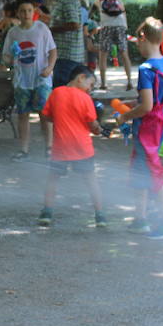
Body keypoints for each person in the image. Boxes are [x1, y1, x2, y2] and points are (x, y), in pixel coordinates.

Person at [115, 18, 163, 239]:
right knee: (141, 169)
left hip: (146, 128)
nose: (137, 46)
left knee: (153, 171)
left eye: (137, 41)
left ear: (143, 38)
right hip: (159, 124)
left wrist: (124, 116)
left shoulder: (146, 69)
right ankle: (140, 218)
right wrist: (137, 106)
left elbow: (147, 106)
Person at [38, 64, 106, 230]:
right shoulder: (85, 99)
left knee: (52, 179)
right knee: (91, 181)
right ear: (80, 78)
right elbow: (92, 124)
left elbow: (45, 116)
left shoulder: (56, 93)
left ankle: (47, 212)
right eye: (90, 85)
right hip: (82, 148)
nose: (90, 89)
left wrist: (61, 119)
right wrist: (98, 129)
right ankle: (100, 215)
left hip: (60, 147)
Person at [2, 0, 57, 161]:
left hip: (41, 79)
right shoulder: (13, 32)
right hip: (22, 80)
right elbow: (6, 56)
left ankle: (49, 147)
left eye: (29, 10)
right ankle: (24, 149)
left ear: (34, 12)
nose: (26, 14)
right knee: (22, 114)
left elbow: (53, 51)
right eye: (22, 11)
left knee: (44, 113)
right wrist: (11, 60)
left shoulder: (41, 29)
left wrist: (49, 67)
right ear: (17, 13)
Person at [45, 0, 85, 86]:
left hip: (67, 55)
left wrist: (50, 30)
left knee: (62, 90)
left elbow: (74, 24)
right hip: (63, 54)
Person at [95, 0, 132, 88]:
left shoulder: (99, 1)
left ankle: (103, 84)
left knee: (103, 55)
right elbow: (124, 12)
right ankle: (129, 81)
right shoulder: (118, 1)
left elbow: (94, 8)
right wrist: (125, 27)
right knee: (124, 54)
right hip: (120, 26)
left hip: (106, 27)